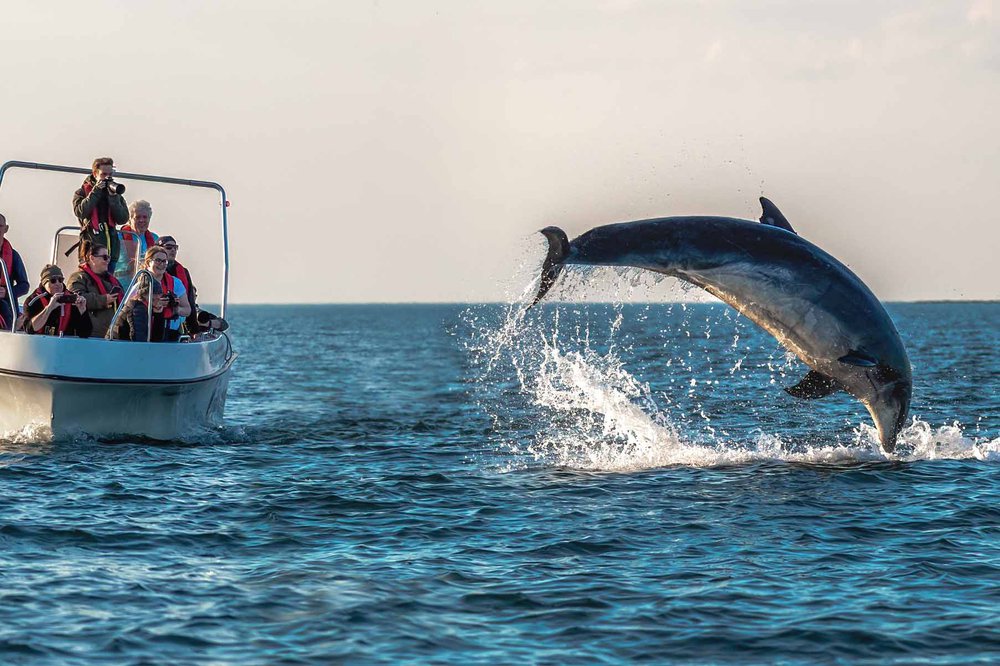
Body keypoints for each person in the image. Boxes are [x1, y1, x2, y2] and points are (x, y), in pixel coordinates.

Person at [72, 157, 128, 274]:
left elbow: (123, 218)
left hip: (111, 251)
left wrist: (113, 198)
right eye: (103, 174)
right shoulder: (82, 192)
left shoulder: (115, 194)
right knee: (90, 282)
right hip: (91, 250)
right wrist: (96, 192)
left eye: (110, 174)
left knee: (108, 283)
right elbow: (80, 212)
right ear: (95, 174)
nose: (107, 178)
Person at [67, 241, 125, 338]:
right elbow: (75, 298)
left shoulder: (113, 281)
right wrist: (103, 299)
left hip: (111, 335)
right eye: (104, 257)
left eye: (109, 257)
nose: (107, 261)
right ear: (92, 258)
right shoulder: (78, 278)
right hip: (90, 334)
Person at [24, 265, 91, 338]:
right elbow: (30, 329)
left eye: (60, 280)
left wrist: (83, 311)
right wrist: (49, 308)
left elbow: (85, 333)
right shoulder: (33, 301)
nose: (57, 283)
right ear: (44, 283)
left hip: (63, 345)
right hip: (39, 343)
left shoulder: (71, 300)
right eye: (53, 281)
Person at [144, 245, 190, 342]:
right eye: (158, 260)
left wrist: (174, 307)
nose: (162, 264)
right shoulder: (139, 284)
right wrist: (154, 305)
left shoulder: (175, 283)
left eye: (165, 261)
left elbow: (187, 310)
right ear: (148, 263)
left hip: (169, 331)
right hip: (145, 331)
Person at [158, 236, 200, 336]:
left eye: (175, 247)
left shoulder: (183, 272)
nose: (173, 250)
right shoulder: (150, 272)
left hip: (175, 324)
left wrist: (194, 330)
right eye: (168, 247)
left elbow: (190, 302)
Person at [116, 200, 159, 282]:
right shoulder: (118, 236)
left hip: (146, 281)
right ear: (130, 219)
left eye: (145, 217)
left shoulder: (155, 238)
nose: (142, 220)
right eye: (138, 217)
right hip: (121, 282)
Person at [0, 213, 29, 331]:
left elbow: (24, 286)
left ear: (6, 229)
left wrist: (7, 292)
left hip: (7, 309)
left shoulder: (14, 256)